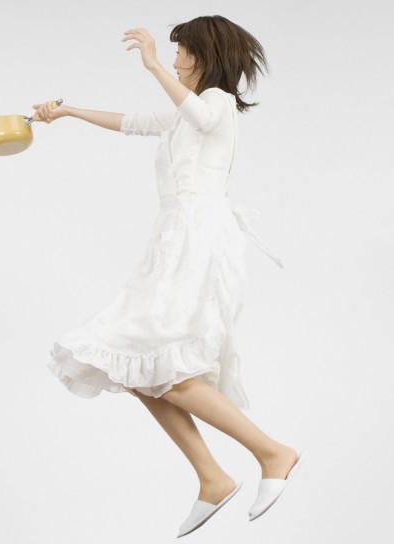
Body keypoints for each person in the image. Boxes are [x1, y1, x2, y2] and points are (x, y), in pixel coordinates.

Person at [34, 16, 304, 537]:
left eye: (182, 53)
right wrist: (67, 111)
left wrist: (152, 64)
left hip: (199, 239)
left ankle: (273, 452)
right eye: (173, 54)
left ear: (202, 56)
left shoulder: (216, 102)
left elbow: (198, 114)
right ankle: (212, 477)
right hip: (174, 238)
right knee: (138, 366)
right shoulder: (187, 113)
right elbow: (133, 122)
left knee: (168, 368)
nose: (176, 61)